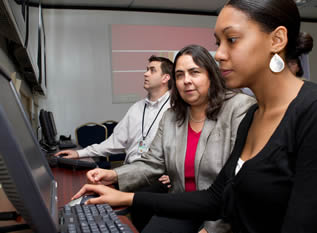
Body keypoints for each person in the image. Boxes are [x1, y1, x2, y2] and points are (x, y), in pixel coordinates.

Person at [72, 0, 317, 233]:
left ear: (277, 39)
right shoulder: (254, 115)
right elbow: (215, 197)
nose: (219, 54)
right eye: (218, 43)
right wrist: (126, 195)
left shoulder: (306, 110)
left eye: (231, 40)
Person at [80, 44, 255, 233]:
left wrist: (212, 230)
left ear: (211, 75)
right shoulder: (171, 116)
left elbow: (241, 184)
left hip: (223, 214)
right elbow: (152, 163)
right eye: (180, 75)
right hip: (181, 205)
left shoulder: (238, 108)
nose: (186, 80)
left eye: (194, 72)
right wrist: (114, 175)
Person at [55, 55, 173, 165]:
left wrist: (172, 173)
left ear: (165, 78)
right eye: (147, 69)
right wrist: (79, 153)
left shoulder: (175, 109)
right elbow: (114, 143)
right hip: (131, 171)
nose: (145, 74)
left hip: (158, 176)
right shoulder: (136, 108)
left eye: (152, 70)